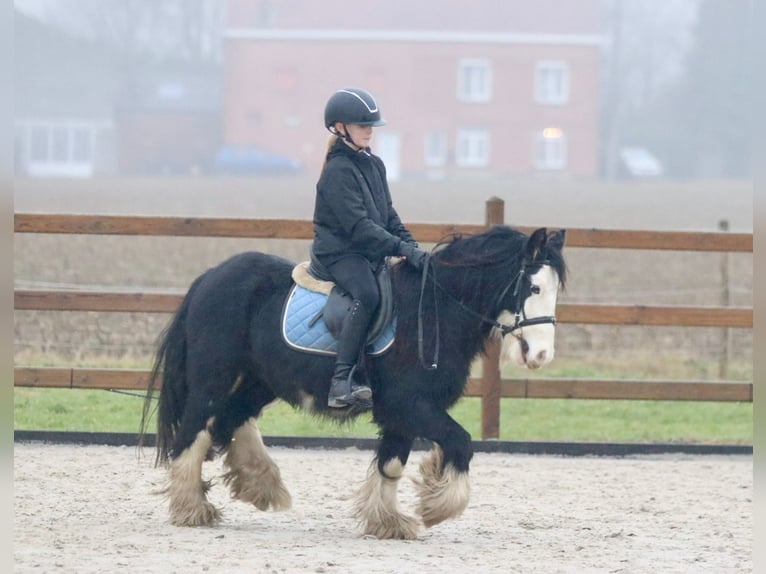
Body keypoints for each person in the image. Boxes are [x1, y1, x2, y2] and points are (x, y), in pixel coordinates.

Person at [311, 87, 428, 408]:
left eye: (371, 125)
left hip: (367, 249)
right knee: (369, 294)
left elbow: (387, 214)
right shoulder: (337, 171)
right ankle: (341, 380)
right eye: (361, 124)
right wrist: (400, 249)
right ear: (339, 127)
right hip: (340, 252)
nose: (368, 130)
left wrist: (411, 246)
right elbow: (359, 228)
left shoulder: (373, 164)